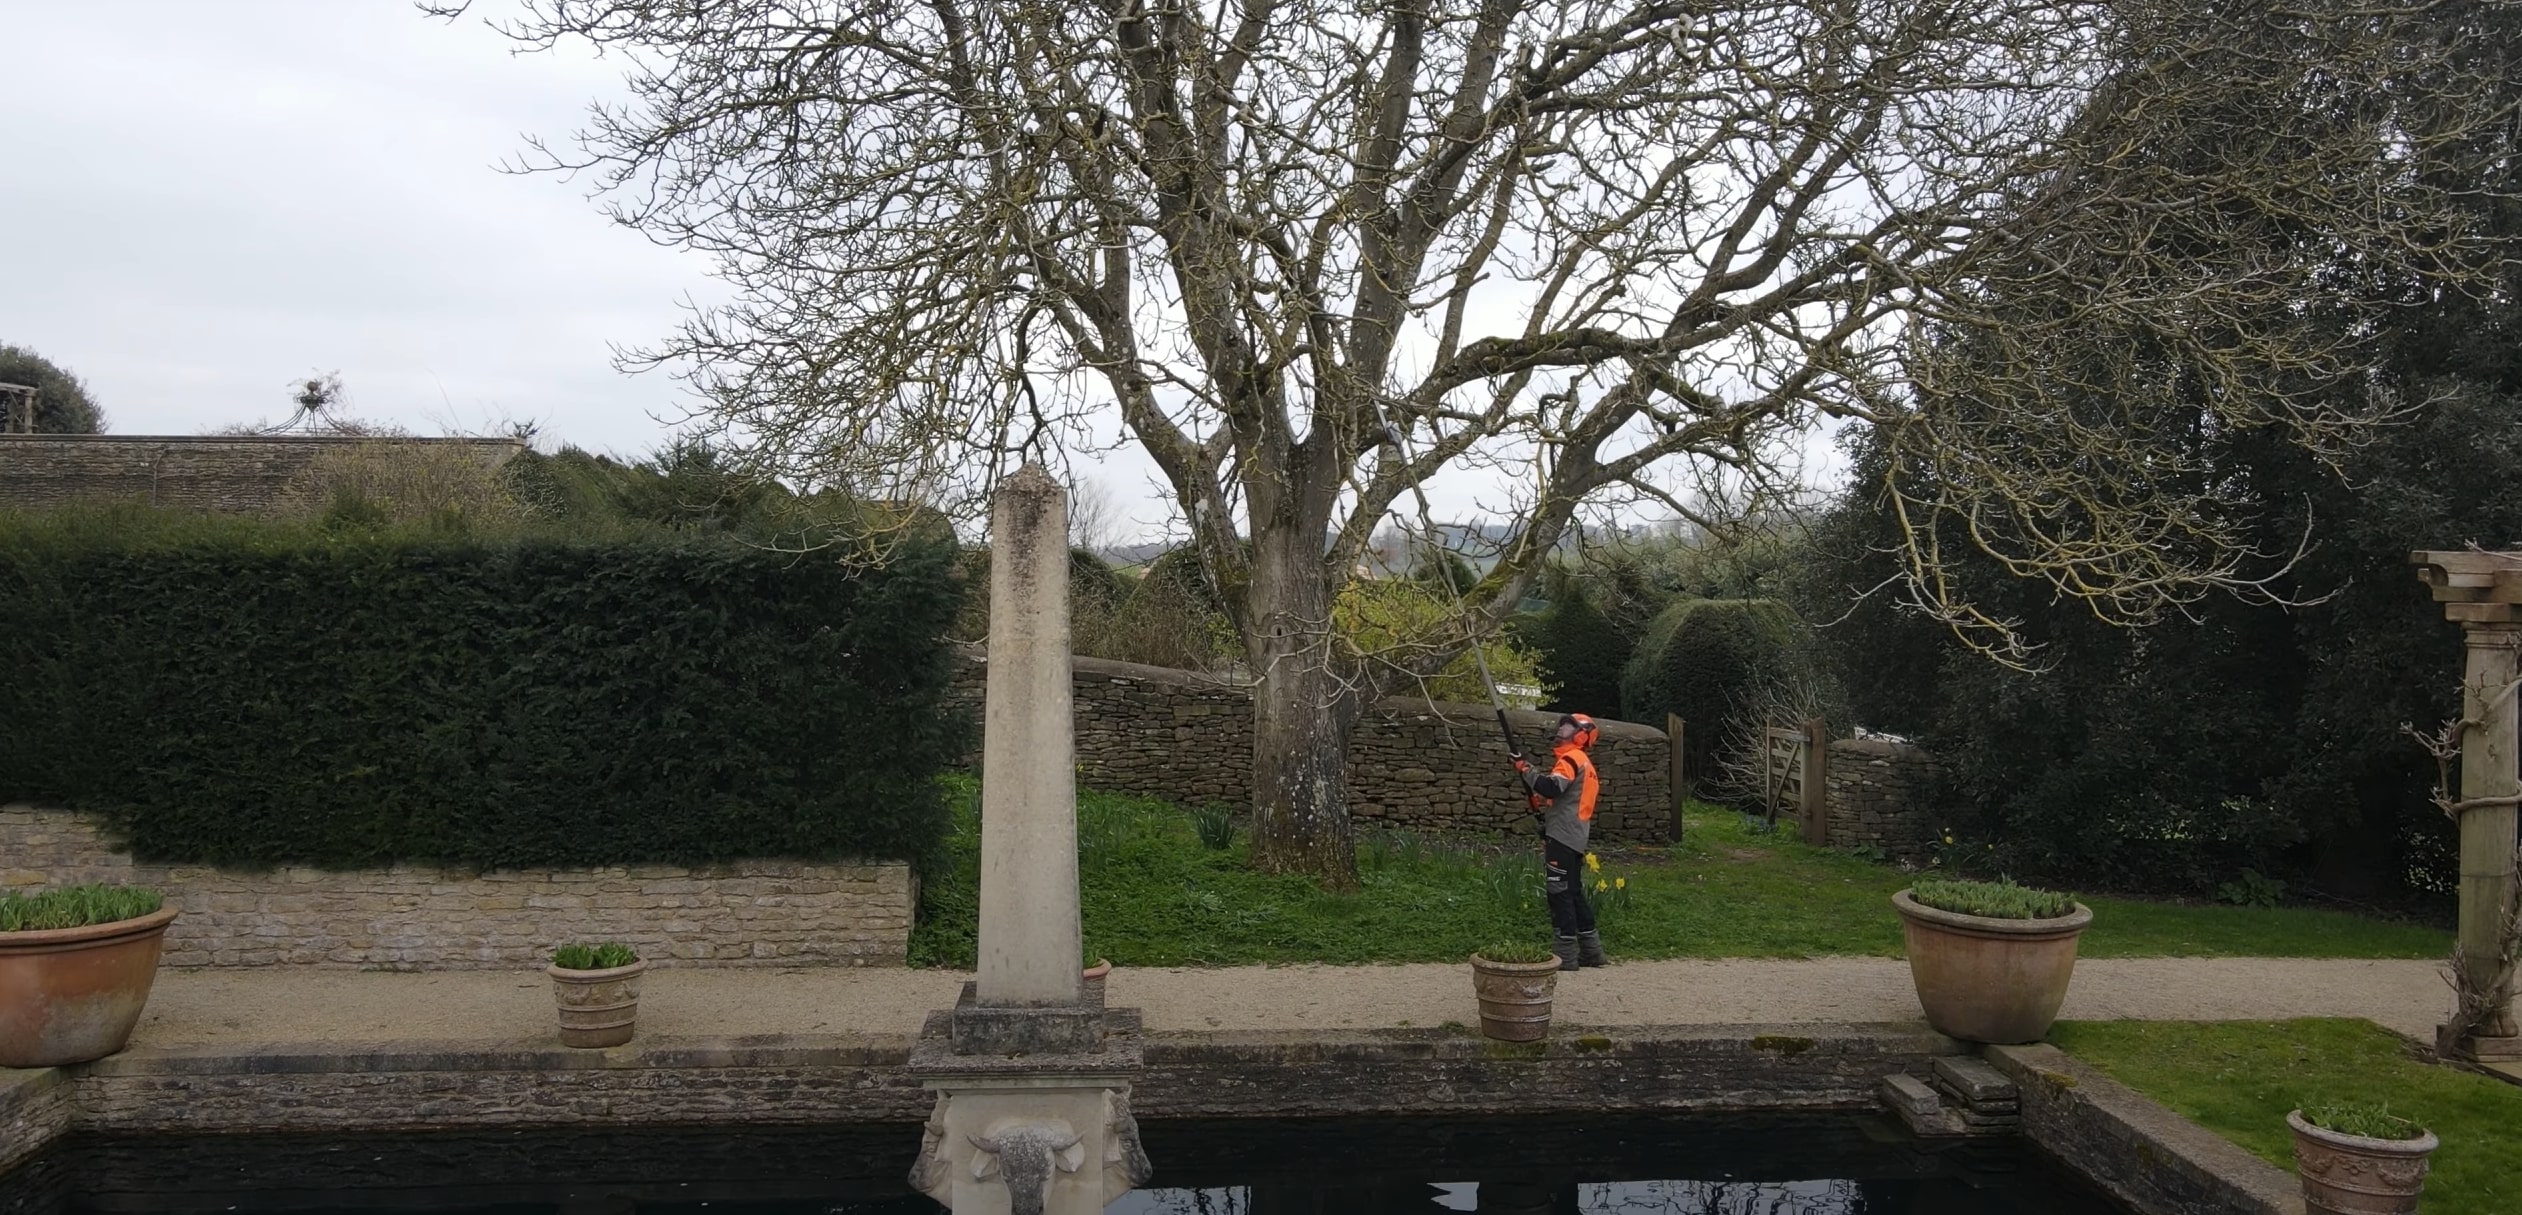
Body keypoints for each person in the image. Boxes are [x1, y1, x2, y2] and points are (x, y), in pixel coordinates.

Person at [1514, 712, 1607, 972]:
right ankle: (1592, 951)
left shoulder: (1571, 758)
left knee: (1559, 892)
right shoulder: (1586, 765)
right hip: (1574, 835)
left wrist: (1526, 769)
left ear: (1581, 736)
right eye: (1562, 725)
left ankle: (1565, 955)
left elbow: (1552, 788)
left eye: (1568, 727)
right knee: (1574, 892)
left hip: (1564, 837)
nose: (1561, 730)